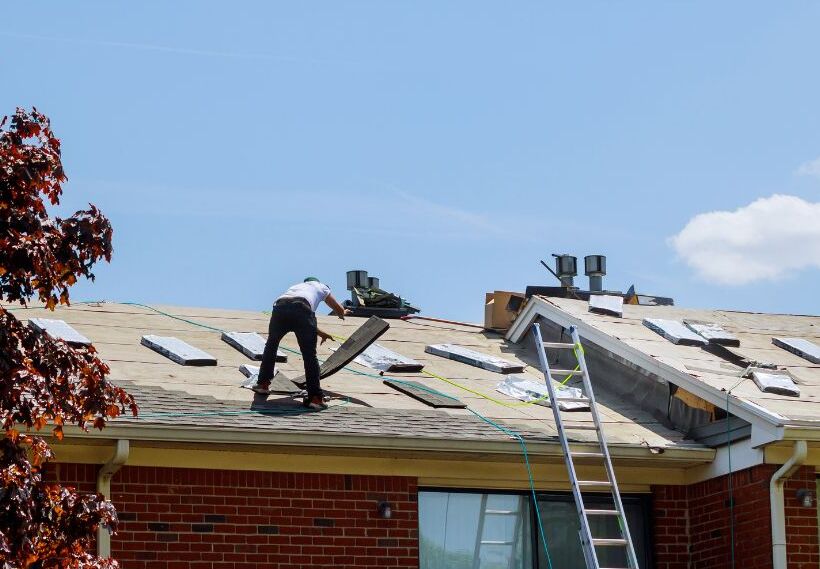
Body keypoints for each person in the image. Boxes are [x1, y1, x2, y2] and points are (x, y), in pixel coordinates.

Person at [253, 277, 349, 409]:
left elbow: (297, 316)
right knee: (309, 355)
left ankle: (263, 384)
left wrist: (320, 333)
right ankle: (315, 397)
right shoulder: (322, 287)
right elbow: (336, 309)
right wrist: (343, 312)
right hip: (302, 308)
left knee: (271, 346)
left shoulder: (296, 287)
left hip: (280, 307)